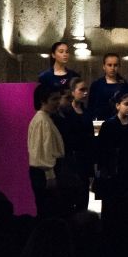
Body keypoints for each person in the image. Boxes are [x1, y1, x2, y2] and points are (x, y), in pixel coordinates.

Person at [95, 91, 128, 211]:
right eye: (126, 104)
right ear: (118, 105)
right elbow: (102, 151)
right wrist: (103, 171)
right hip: (113, 172)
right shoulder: (108, 125)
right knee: (112, 205)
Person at [54, 78, 95, 213]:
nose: (85, 93)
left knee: (83, 198)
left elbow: (89, 139)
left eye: (86, 90)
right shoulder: (65, 112)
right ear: (73, 91)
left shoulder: (87, 112)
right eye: (81, 90)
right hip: (69, 160)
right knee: (69, 197)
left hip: (84, 159)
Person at [28, 83, 66, 218]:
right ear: (43, 100)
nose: (58, 103)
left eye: (58, 98)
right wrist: (50, 176)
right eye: (54, 99)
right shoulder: (41, 121)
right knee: (48, 212)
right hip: (45, 173)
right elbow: (41, 153)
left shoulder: (45, 119)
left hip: (47, 171)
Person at [87, 53, 128, 121]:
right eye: (109, 65)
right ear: (104, 66)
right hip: (101, 122)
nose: (112, 68)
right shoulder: (96, 85)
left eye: (115, 65)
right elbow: (91, 107)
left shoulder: (125, 85)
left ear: (119, 66)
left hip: (120, 122)